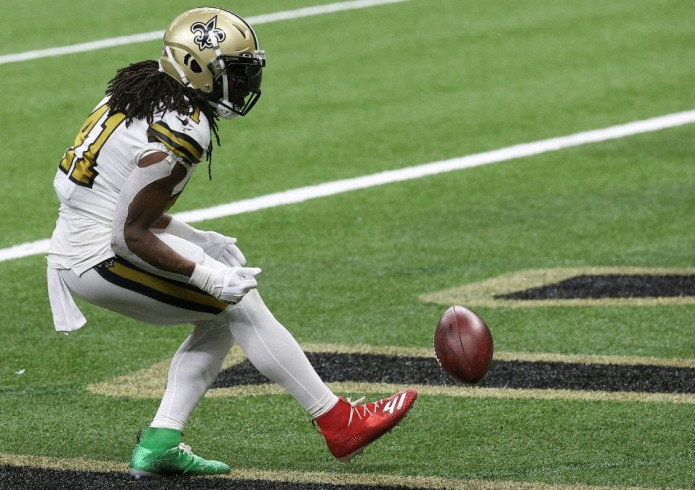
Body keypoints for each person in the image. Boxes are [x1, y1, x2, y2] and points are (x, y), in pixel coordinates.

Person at [46, 7, 417, 478]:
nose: (242, 86)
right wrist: (203, 270)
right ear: (197, 69)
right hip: (98, 256)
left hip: (82, 240)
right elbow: (128, 233)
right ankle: (337, 420)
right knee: (237, 302)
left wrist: (193, 237)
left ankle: (162, 441)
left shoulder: (145, 87)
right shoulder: (183, 127)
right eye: (233, 73)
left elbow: (117, 205)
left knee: (223, 316)